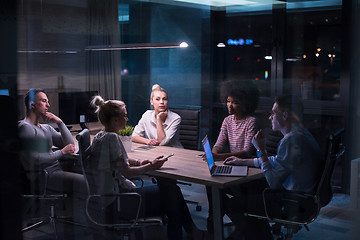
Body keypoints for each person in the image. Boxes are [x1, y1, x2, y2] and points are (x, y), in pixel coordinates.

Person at [88, 96, 204, 240]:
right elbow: (126, 172)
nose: (127, 119)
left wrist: (140, 162)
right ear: (115, 120)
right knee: (172, 194)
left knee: (171, 190)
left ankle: (190, 231)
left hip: (106, 200)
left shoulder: (100, 136)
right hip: (118, 202)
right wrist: (151, 167)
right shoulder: (113, 138)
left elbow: (117, 161)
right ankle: (186, 232)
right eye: (124, 115)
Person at [222, 95, 323, 240]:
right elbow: (277, 160)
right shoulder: (300, 134)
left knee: (233, 204)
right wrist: (242, 161)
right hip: (302, 195)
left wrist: (261, 151)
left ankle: (259, 236)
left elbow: (274, 183)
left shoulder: (292, 140)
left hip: (292, 200)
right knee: (248, 187)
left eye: (273, 113)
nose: (270, 117)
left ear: (285, 115)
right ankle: (254, 233)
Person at [206, 79, 259, 231]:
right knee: (210, 182)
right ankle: (215, 216)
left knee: (215, 185)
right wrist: (214, 154)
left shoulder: (251, 122)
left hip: (248, 171)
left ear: (244, 103)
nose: (229, 105)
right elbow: (219, 144)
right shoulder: (227, 120)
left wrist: (219, 157)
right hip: (234, 165)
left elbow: (246, 152)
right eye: (228, 101)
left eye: (234, 102)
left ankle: (220, 220)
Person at [18, 88, 83, 195]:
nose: (48, 105)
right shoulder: (25, 127)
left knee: (88, 174)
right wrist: (62, 152)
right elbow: (35, 160)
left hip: (55, 170)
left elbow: (69, 145)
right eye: (44, 101)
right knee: (85, 183)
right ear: (32, 104)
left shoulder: (46, 128)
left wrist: (60, 123)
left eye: (48, 101)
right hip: (45, 175)